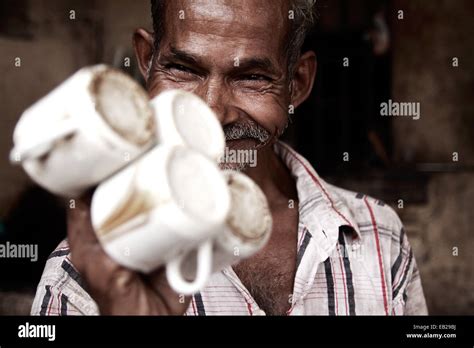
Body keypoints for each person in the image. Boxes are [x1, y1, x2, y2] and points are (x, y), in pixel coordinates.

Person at [31, 0, 427, 316]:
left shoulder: (380, 237)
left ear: (298, 84)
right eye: (184, 69)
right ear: (147, 60)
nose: (213, 113)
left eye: (251, 77)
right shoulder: (84, 278)